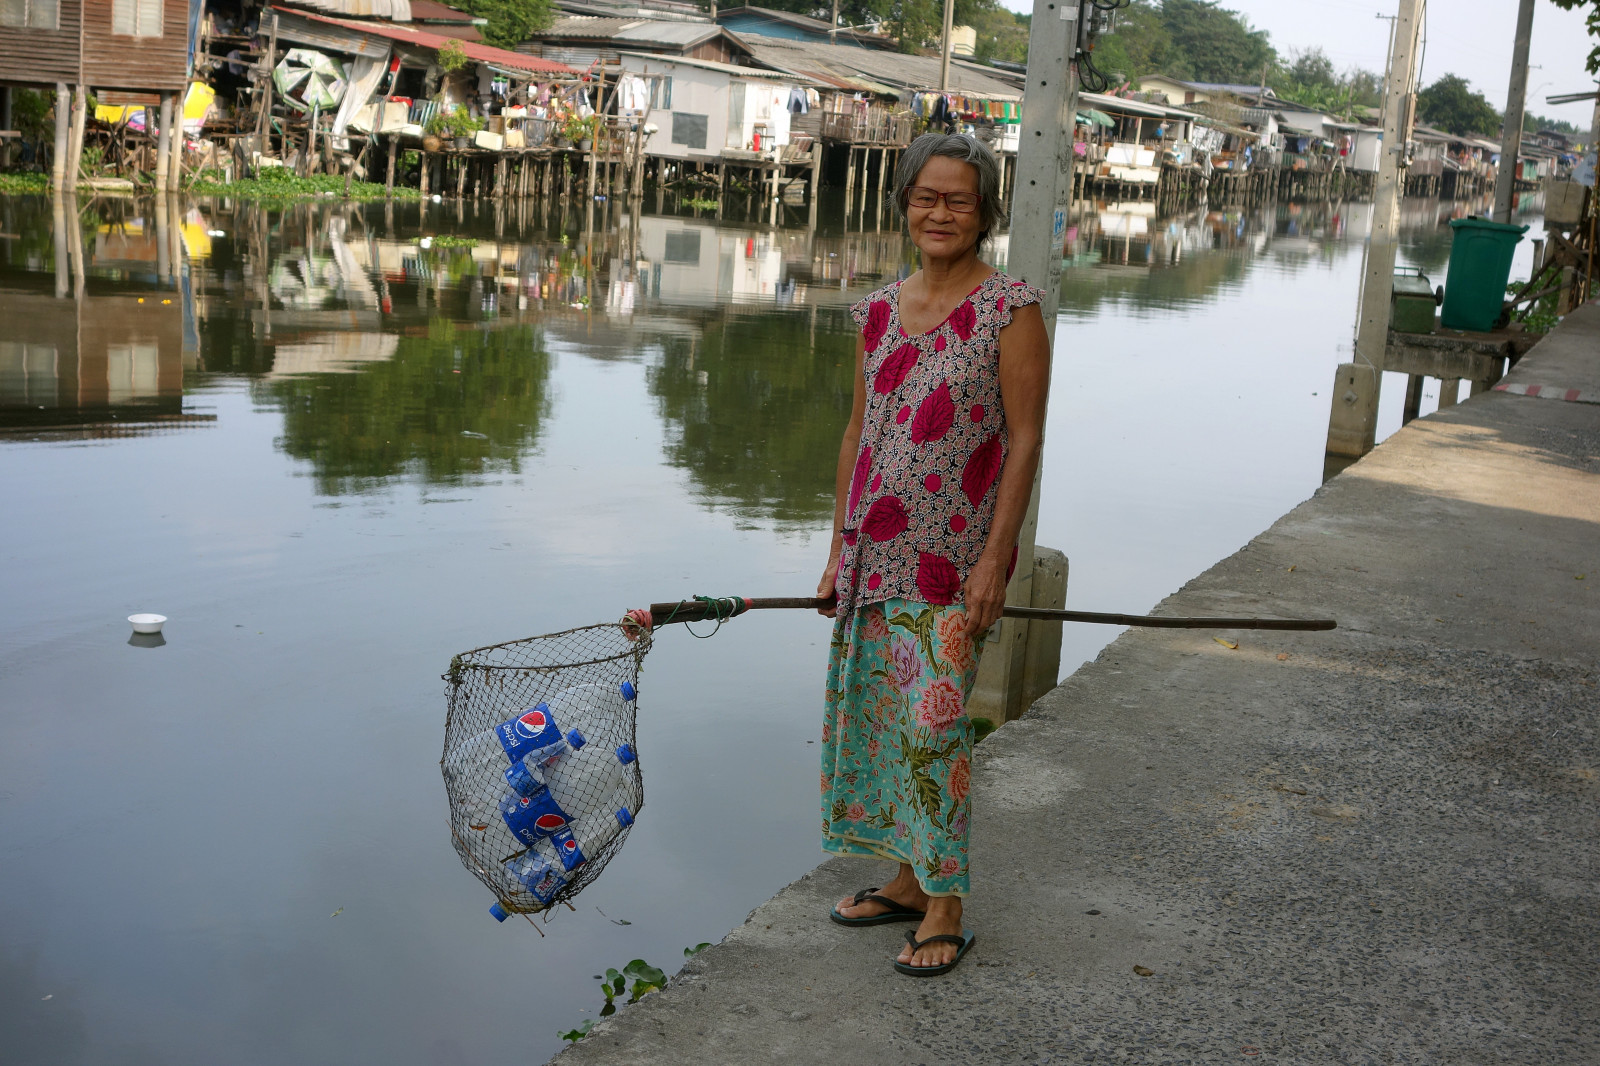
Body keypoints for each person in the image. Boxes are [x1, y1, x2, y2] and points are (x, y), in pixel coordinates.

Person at [816, 132, 1050, 976]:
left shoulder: (1011, 309)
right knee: (887, 723)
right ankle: (909, 883)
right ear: (905, 205)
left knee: (936, 729)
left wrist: (996, 561)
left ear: (984, 212)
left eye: (958, 199)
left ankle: (946, 904)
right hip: (874, 557)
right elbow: (859, 432)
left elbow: (1025, 441)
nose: (939, 213)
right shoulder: (878, 309)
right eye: (925, 197)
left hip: (953, 563)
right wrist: (838, 550)